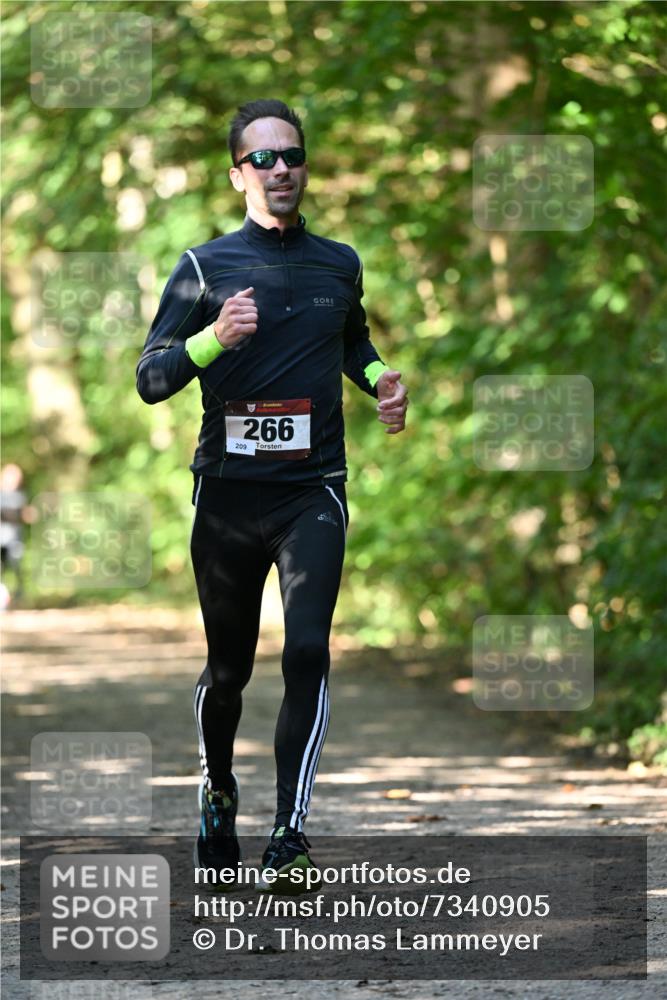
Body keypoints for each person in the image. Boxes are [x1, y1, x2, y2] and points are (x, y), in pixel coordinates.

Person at [136, 98, 408, 892]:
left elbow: (352, 341)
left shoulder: (338, 263)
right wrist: (213, 337)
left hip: (312, 491)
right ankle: (218, 788)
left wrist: (377, 380)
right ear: (236, 175)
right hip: (226, 497)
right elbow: (152, 379)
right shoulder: (202, 267)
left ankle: (289, 833)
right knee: (229, 672)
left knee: (308, 651)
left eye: (291, 155)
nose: (280, 169)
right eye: (263, 159)